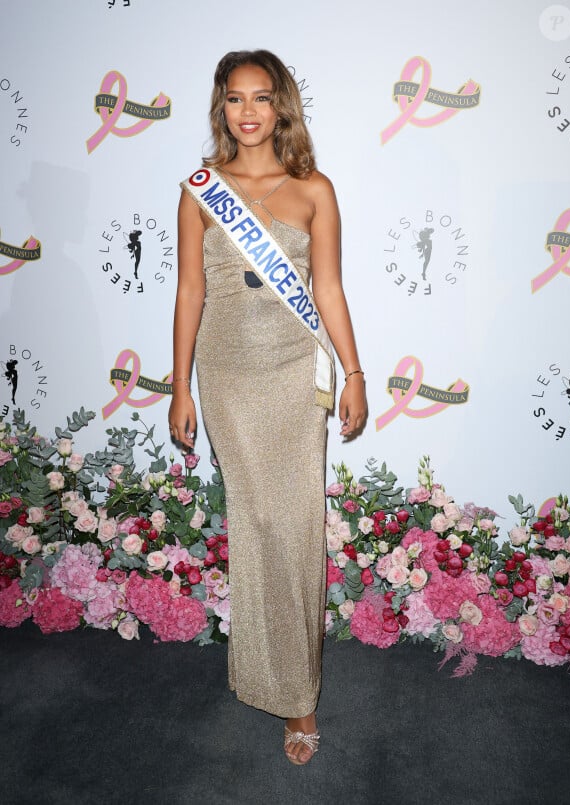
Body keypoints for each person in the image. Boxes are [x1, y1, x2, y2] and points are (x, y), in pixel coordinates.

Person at [168, 49, 367, 765]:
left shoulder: (314, 188)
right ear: (220, 107)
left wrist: (354, 371)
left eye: (260, 97)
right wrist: (178, 384)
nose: (247, 111)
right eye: (233, 98)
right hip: (226, 374)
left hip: (292, 375)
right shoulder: (199, 189)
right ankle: (266, 675)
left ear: (281, 105)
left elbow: (332, 291)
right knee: (253, 523)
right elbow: (190, 291)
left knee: (292, 523)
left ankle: (300, 697)